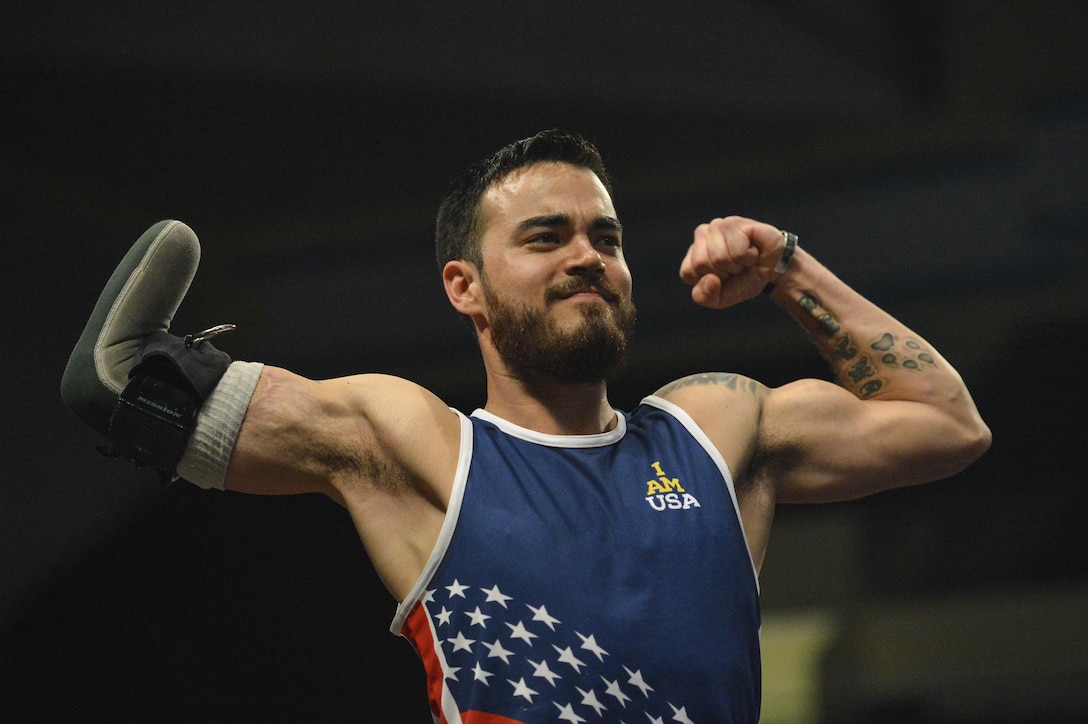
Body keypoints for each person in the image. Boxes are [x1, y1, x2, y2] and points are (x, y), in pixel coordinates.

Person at [61, 130, 991, 723]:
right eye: (546, 238)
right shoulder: (419, 444)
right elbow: (119, 384)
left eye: (607, 238)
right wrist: (153, 376)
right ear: (464, 287)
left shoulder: (717, 430)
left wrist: (788, 265)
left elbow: (946, 425)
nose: (589, 258)